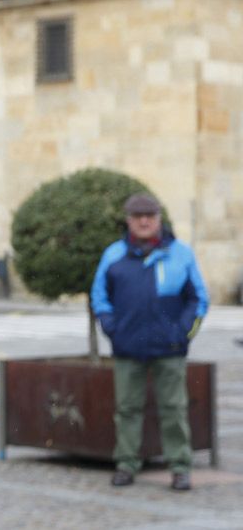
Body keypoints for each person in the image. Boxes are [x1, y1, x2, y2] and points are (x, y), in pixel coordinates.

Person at [91, 192, 209, 491]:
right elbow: (99, 297)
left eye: (150, 216)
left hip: (169, 348)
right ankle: (126, 464)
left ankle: (180, 467)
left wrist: (183, 333)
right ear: (128, 220)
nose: (144, 221)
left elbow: (198, 299)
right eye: (137, 216)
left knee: (174, 409)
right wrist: (112, 329)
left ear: (159, 218)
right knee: (128, 409)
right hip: (128, 347)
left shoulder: (181, 254)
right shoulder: (113, 255)